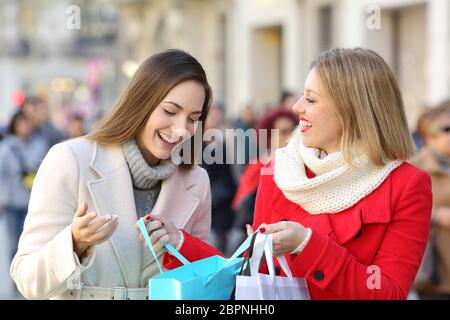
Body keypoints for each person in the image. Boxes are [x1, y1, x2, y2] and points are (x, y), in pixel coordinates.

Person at [146, 47, 432, 300]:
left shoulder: (407, 185)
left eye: (311, 99)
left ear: (351, 109)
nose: (297, 108)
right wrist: (181, 242)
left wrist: (307, 245)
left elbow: (389, 292)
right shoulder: (278, 170)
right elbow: (250, 272)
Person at [10, 49, 212, 300]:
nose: (182, 129)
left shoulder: (197, 181)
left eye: (193, 118)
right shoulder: (70, 159)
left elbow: (203, 284)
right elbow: (27, 280)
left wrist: (182, 244)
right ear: (141, 103)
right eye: (170, 111)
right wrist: (74, 243)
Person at [230, 108, 298, 248]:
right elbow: (242, 204)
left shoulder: (302, 167)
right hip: (260, 239)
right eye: (282, 132)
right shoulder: (257, 166)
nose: (289, 137)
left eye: (292, 131)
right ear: (269, 136)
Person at [410, 101, 450, 299]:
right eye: (447, 129)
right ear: (429, 133)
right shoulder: (413, 168)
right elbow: (400, 211)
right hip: (435, 271)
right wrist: (435, 215)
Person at [0, 110, 47, 261]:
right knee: (14, 244)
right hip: (12, 204)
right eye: (21, 123)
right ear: (14, 125)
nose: (24, 126)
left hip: (34, 204)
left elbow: (47, 171)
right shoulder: (7, 146)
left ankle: (29, 280)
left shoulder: (41, 144)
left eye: (27, 123)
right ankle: (16, 282)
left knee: (34, 244)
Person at [201, 104, 237, 255]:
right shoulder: (195, 143)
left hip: (221, 199)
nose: (215, 119)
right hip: (203, 197)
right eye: (212, 115)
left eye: (218, 115)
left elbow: (227, 173)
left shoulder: (222, 143)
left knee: (221, 240)